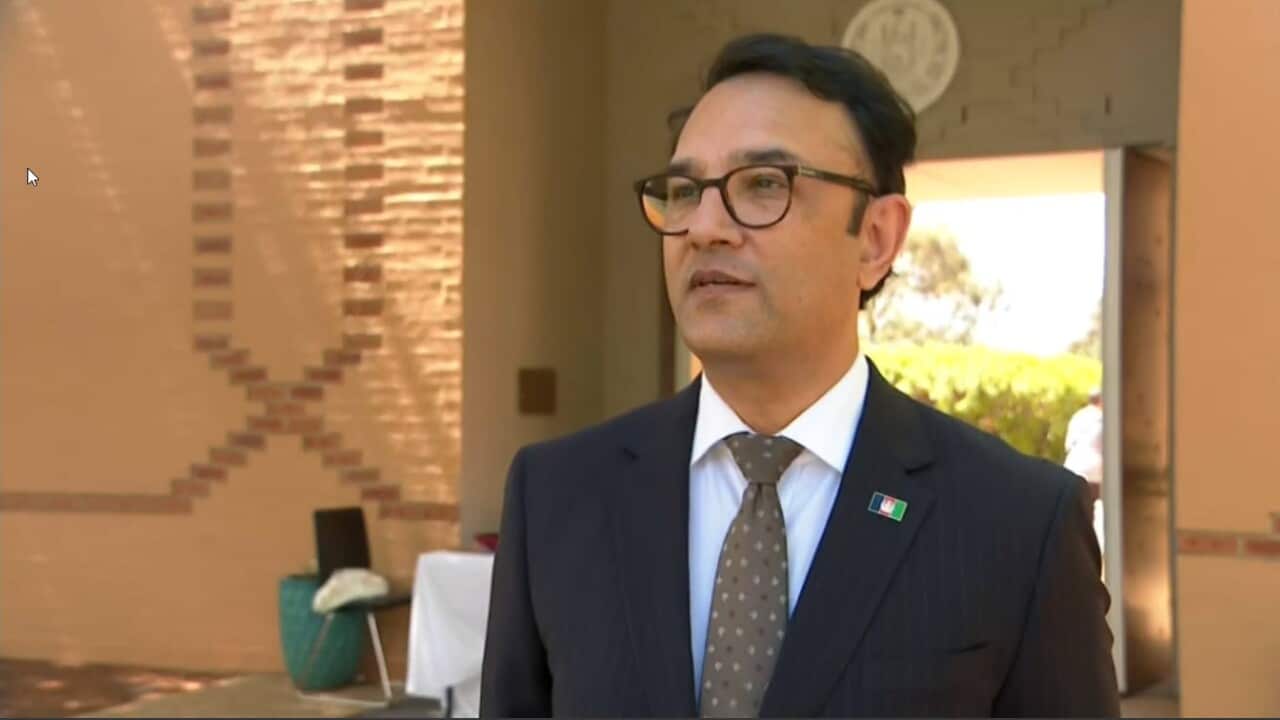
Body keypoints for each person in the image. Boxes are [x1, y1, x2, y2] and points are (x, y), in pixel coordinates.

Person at [480, 33, 1119, 718]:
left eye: (763, 185)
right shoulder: (558, 497)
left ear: (875, 240)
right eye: (685, 190)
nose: (705, 227)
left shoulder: (1018, 521)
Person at [1064, 388, 1105, 552]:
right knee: (1093, 509)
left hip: (1074, 466)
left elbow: (1068, 444)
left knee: (1079, 511)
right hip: (1094, 470)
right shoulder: (1101, 419)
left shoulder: (1077, 417)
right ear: (1101, 400)